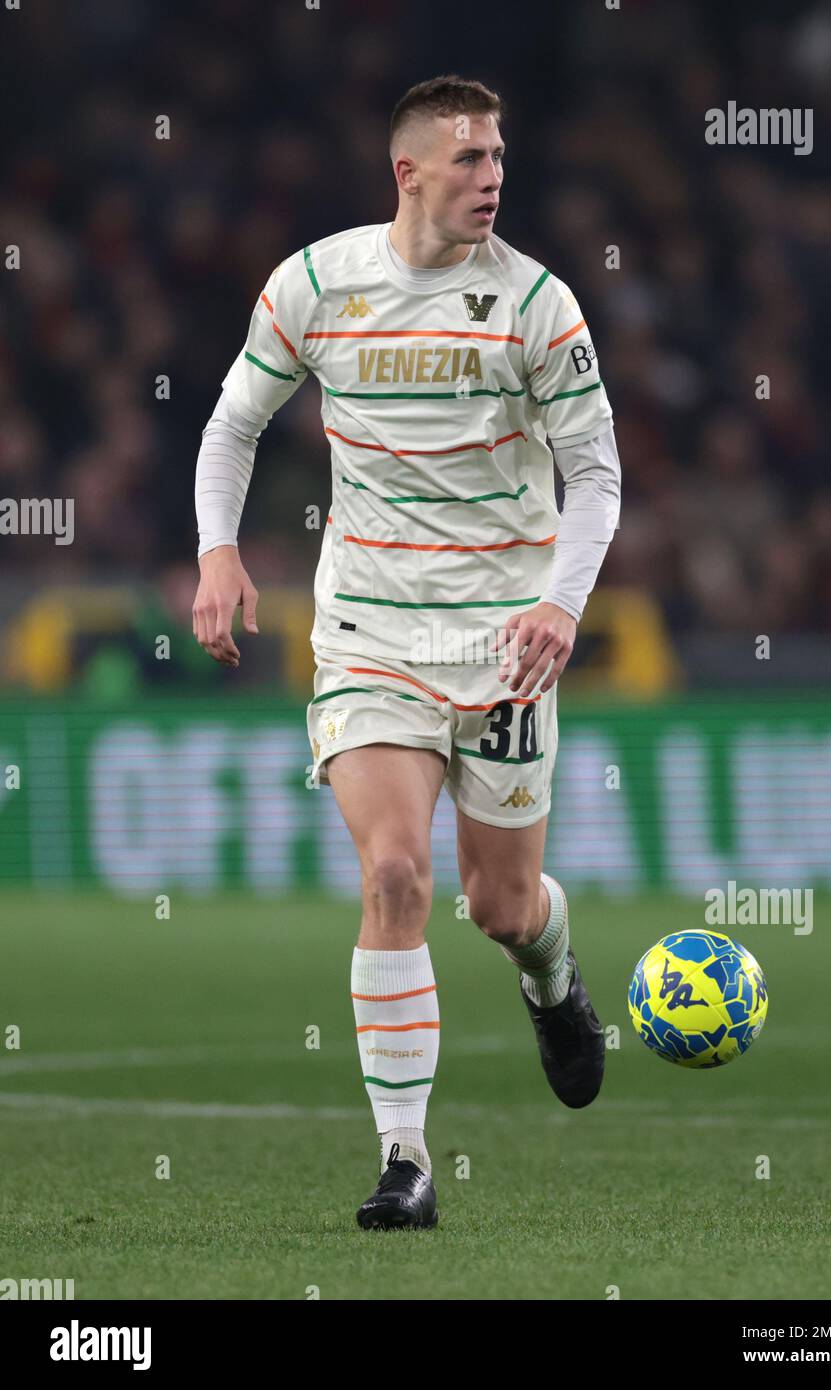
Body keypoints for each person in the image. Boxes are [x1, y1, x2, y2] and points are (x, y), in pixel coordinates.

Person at [193, 75, 621, 1230]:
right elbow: (234, 421)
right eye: (471, 158)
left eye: (499, 158)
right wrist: (219, 553)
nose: (492, 177)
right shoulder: (319, 283)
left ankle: (554, 976)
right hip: (369, 629)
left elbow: (594, 476)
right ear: (409, 171)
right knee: (394, 875)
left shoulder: (537, 304)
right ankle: (405, 1163)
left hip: (502, 642)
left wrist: (560, 607)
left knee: (500, 901)